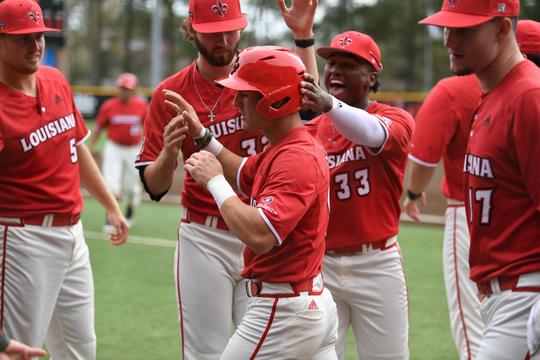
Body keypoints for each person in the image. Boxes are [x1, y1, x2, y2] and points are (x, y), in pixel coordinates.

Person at [135, 0, 318, 358]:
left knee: (264, 350)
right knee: (207, 352)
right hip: (206, 237)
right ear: (192, 30)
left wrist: (303, 37)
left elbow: (308, 109)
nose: (223, 39)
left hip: (265, 228)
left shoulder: (261, 70)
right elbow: (154, 187)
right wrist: (168, 155)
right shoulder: (172, 93)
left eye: (230, 29)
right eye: (212, 32)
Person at [167, 45, 338, 360]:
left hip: (282, 311)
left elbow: (261, 235)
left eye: (244, 94)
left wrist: (214, 181)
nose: (235, 102)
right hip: (307, 302)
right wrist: (203, 136)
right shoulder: (287, 147)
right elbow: (244, 172)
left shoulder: (295, 156)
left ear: (274, 98)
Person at [405, 18, 540, 360]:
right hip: (503, 281)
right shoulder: (493, 93)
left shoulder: (527, 96)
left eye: (463, 29)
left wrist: (412, 194)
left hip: (522, 288)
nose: (449, 40)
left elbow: (421, 161)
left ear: (501, 30)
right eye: (447, 29)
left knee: (470, 338)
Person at [0, 0, 129, 358]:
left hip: (73, 234)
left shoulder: (55, 79)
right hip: (23, 238)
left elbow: (78, 149)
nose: (35, 45)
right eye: (23, 38)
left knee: (80, 350)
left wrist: (111, 205)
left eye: (39, 35)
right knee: (16, 351)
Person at [300, 30, 414, 360]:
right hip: (322, 264)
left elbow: (369, 132)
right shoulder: (311, 131)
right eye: (332, 63)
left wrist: (328, 105)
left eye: (349, 64)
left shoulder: (396, 118)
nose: (335, 70)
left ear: (371, 78)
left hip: (377, 263)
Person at [89, 72, 147, 227]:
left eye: (127, 88)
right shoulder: (109, 106)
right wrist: (92, 146)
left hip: (133, 149)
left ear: (134, 90)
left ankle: (129, 209)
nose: (123, 91)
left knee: (131, 187)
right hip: (114, 147)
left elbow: (148, 127)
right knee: (111, 184)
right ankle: (110, 217)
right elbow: (98, 128)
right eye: (121, 88)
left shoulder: (141, 105)